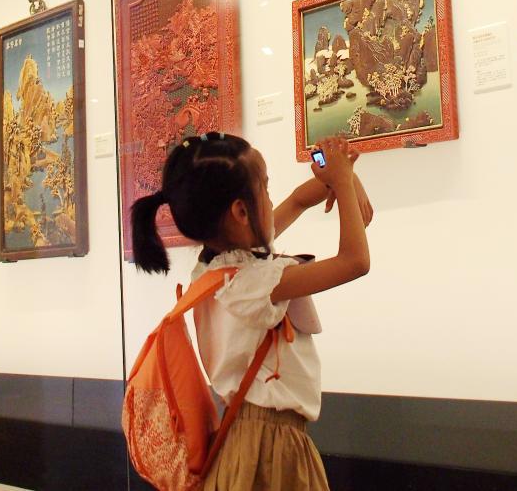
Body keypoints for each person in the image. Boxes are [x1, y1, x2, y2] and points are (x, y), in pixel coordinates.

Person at [129, 132, 372, 491]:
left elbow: (299, 200)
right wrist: (342, 182)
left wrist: (342, 175)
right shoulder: (250, 284)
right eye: (265, 188)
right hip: (270, 447)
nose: (272, 197)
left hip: (252, 437)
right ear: (241, 212)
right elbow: (355, 262)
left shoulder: (220, 267)